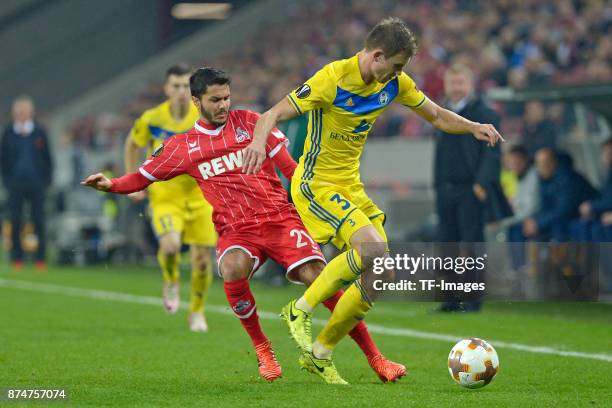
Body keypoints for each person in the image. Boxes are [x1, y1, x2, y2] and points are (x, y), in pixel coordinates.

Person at [83, 67, 406, 384]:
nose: (224, 105)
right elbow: (141, 177)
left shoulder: (252, 123)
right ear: (197, 101)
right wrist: (110, 185)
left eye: (227, 98)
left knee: (319, 281)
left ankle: (375, 357)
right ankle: (263, 349)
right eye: (215, 100)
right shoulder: (183, 147)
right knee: (232, 267)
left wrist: (320, 197)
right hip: (237, 230)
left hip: (281, 219)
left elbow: (291, 170)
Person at [242, 17, 503, 383]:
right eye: (394, 66)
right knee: (372, 249)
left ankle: (321, 352)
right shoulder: (331, 78)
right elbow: (271, 114)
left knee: (381, 272)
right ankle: (299, 309)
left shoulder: (394, 83)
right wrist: (257, 143)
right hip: (317, 183)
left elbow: (437, 116)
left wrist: (473, 126)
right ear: (376, 55)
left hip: (351, 186)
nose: (396, 75)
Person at [123, 65, 217, 332]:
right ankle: (171, 279)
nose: (180, 92)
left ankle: (197, 312)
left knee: (201, 259)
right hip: (165, 193)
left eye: (186, 86)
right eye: (175, 86)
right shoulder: (153, 118)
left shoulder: (203, 117)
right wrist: (134, 182)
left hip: (201, 194)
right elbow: (132, 143)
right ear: (166, 89)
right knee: (172, 246)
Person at [433, 64, 509, 312]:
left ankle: (474, 299)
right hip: (445, 188)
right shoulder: (441, 113)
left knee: (472, 242)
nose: (455, 88)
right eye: (452, 83)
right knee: (448, 243)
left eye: (460, 83)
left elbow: (493, 154)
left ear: (470, 85)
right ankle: (451, 298)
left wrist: (481, 183)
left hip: (470, 188)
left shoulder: (485, 112)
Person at [1, 95, 53, 271]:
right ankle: (17, 258)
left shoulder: (39, 132)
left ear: (31, 112)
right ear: (14, 113)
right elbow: (3, 158)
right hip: (15, 184)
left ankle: (40, 258)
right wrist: (7, 180)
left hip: (36, 184)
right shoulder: (8, 132)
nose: (22, 114)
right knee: (15, 221)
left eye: (25, 111)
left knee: (39, 220)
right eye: (19, 111)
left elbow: (47, 159)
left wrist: (45, 181)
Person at [523, 148, 598, 241]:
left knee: (557, 229)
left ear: (555, 162)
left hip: (585, 216)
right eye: (539, 163)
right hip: (564, 219)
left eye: (546, 162)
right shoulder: (544, 180)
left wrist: (539, 223)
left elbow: (564, 209)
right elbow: (545, 207)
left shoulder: (567, 178)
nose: (543, 166)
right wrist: (535, 220)